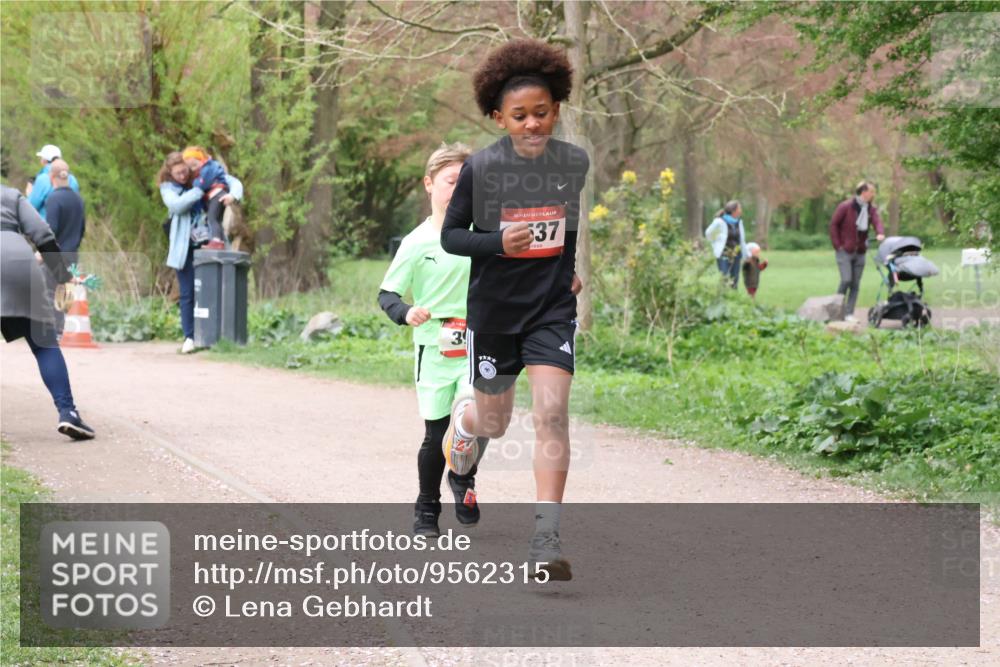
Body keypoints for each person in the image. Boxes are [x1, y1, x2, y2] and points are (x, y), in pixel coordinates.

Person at [440, 39, 589, 581]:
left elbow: (567, 224)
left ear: (557, 109)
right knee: (495, 424)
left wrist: (567, 268)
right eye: (520, 116)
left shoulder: (573, 161)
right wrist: (500, 242)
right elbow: (453, 237)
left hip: (551, 308)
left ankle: (545, 539)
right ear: (499, 117)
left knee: (551, 413)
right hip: (496, 314)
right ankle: (465, 426)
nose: (532, 124)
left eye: (542, 113)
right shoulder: (482, 169)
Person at [378, 142, 481, 537]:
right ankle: (427, 507)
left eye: (466, 182)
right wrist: (406, 312)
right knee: (437, 433)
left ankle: (463, 480)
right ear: (429, 184)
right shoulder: (417, 241)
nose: (458, 190)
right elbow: (387, 294)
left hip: (478, 341)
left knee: (473, 418)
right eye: (451, 181)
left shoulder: (483, 234)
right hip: (434, 346)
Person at [1, 185, 95, 440]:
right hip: (16, 261)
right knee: (44, 344)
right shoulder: (9, 195)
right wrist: (62, 275)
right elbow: (42, 233)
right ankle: (68, 413)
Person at [158, 151, 243, 353]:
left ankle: (217, 335)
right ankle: (190, 336)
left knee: (215, 290)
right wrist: (199, 189)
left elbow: (232, 181)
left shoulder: (200, 174)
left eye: (185, 171)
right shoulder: (168, 188)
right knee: (187, 292)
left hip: (210, 243)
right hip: (185, 247)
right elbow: (177, 206)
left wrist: (234, 195)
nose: (183, 176)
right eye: (177, 173)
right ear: (169, 173)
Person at [41, 158, 87, 335]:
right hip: (72, 252)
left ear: (52, 177)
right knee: (66, 291)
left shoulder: (53, 198)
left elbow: (51, 230)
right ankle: (66, 329)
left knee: (51, 291)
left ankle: (55, 331)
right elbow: (82, 228)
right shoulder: (78, 199)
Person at [830, 181, 885, 321]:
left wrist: (880, 232)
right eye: (872, 191)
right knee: (846, 280)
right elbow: (834, 225)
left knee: (855, 284)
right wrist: (838, 245)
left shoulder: (870, 209)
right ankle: (836, 311)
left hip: (860, 252)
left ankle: (849, 314)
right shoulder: (846, 206)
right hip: (845, 252)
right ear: (863, 192)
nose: (873, 194)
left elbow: (877, 222)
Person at [182, 146, 230, 250]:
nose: (194, 169)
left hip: (217, 193)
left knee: (212, 217)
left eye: (195, 165)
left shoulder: (208, 168)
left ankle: (216, 241)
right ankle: (219, 241)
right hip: (215, 194)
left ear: (201, 159)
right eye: (190, 168)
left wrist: (193, 184)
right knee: (216, 219)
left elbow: (201, 184)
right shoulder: (202, 170)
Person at [705, 200, 749, 288]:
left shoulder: (739, 222)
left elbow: (742, 240)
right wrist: (715, 243)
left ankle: (733, 298)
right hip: (723, 253)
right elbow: (708, 233)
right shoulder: (720, 221)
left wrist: (746, 255)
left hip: (736, 254)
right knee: (724, 277)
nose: (741, 210)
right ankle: (723, 297)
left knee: (735, 278)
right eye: (739, 208)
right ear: (734, 211)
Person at [28, 144, 80, 220]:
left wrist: (30, 194)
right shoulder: (73, 180)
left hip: (45, 227)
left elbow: (30, 207)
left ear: (44, 160)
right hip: (68, 228)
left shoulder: (43, 179)